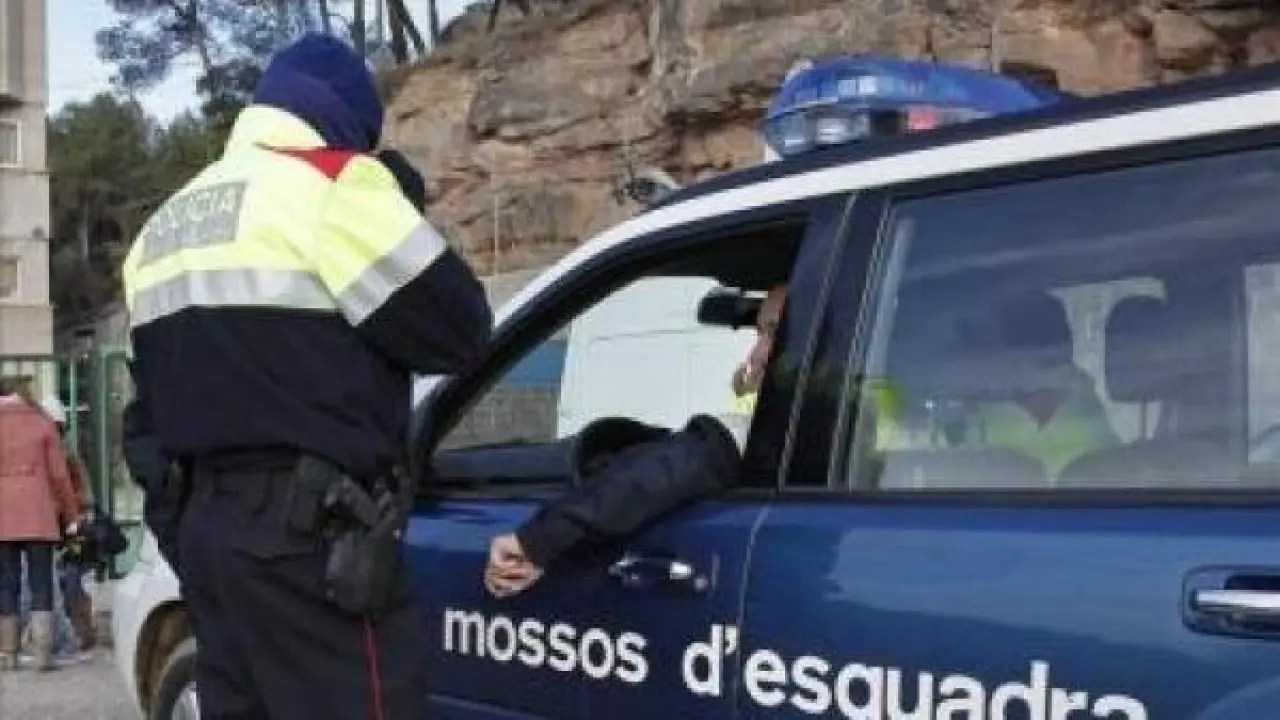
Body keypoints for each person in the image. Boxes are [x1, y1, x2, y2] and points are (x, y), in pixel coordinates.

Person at [120, 33, 491, 720]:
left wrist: (189, 526)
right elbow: (460, 330)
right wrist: (398, 205)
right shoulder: (335, 185)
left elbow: (143, 423)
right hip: (312, 548)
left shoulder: (162, 228)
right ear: (347, 120)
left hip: (207, 541)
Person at [484, 285, 788, 598]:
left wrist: (537, 542)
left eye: (775, 332)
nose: (755, 354)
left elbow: (664, 473)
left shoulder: (768, 430)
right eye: (759, 334)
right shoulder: (804, 429)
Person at [0, 379, 81, 671]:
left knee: (6, 583)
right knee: (40, 581)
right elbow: (59, 475)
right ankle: (43, 654)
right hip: (38, 511)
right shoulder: (42, 423)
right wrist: (72, 515)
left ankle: (7, 654)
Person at [38, 395, 96, 653]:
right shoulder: (59, 455)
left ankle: (78, 634)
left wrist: (66, 507)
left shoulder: (67, 457)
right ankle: (74, 635)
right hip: (58, 526)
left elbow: (85, 497)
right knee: (66, 582)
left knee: (71, 581)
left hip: (69, 527)